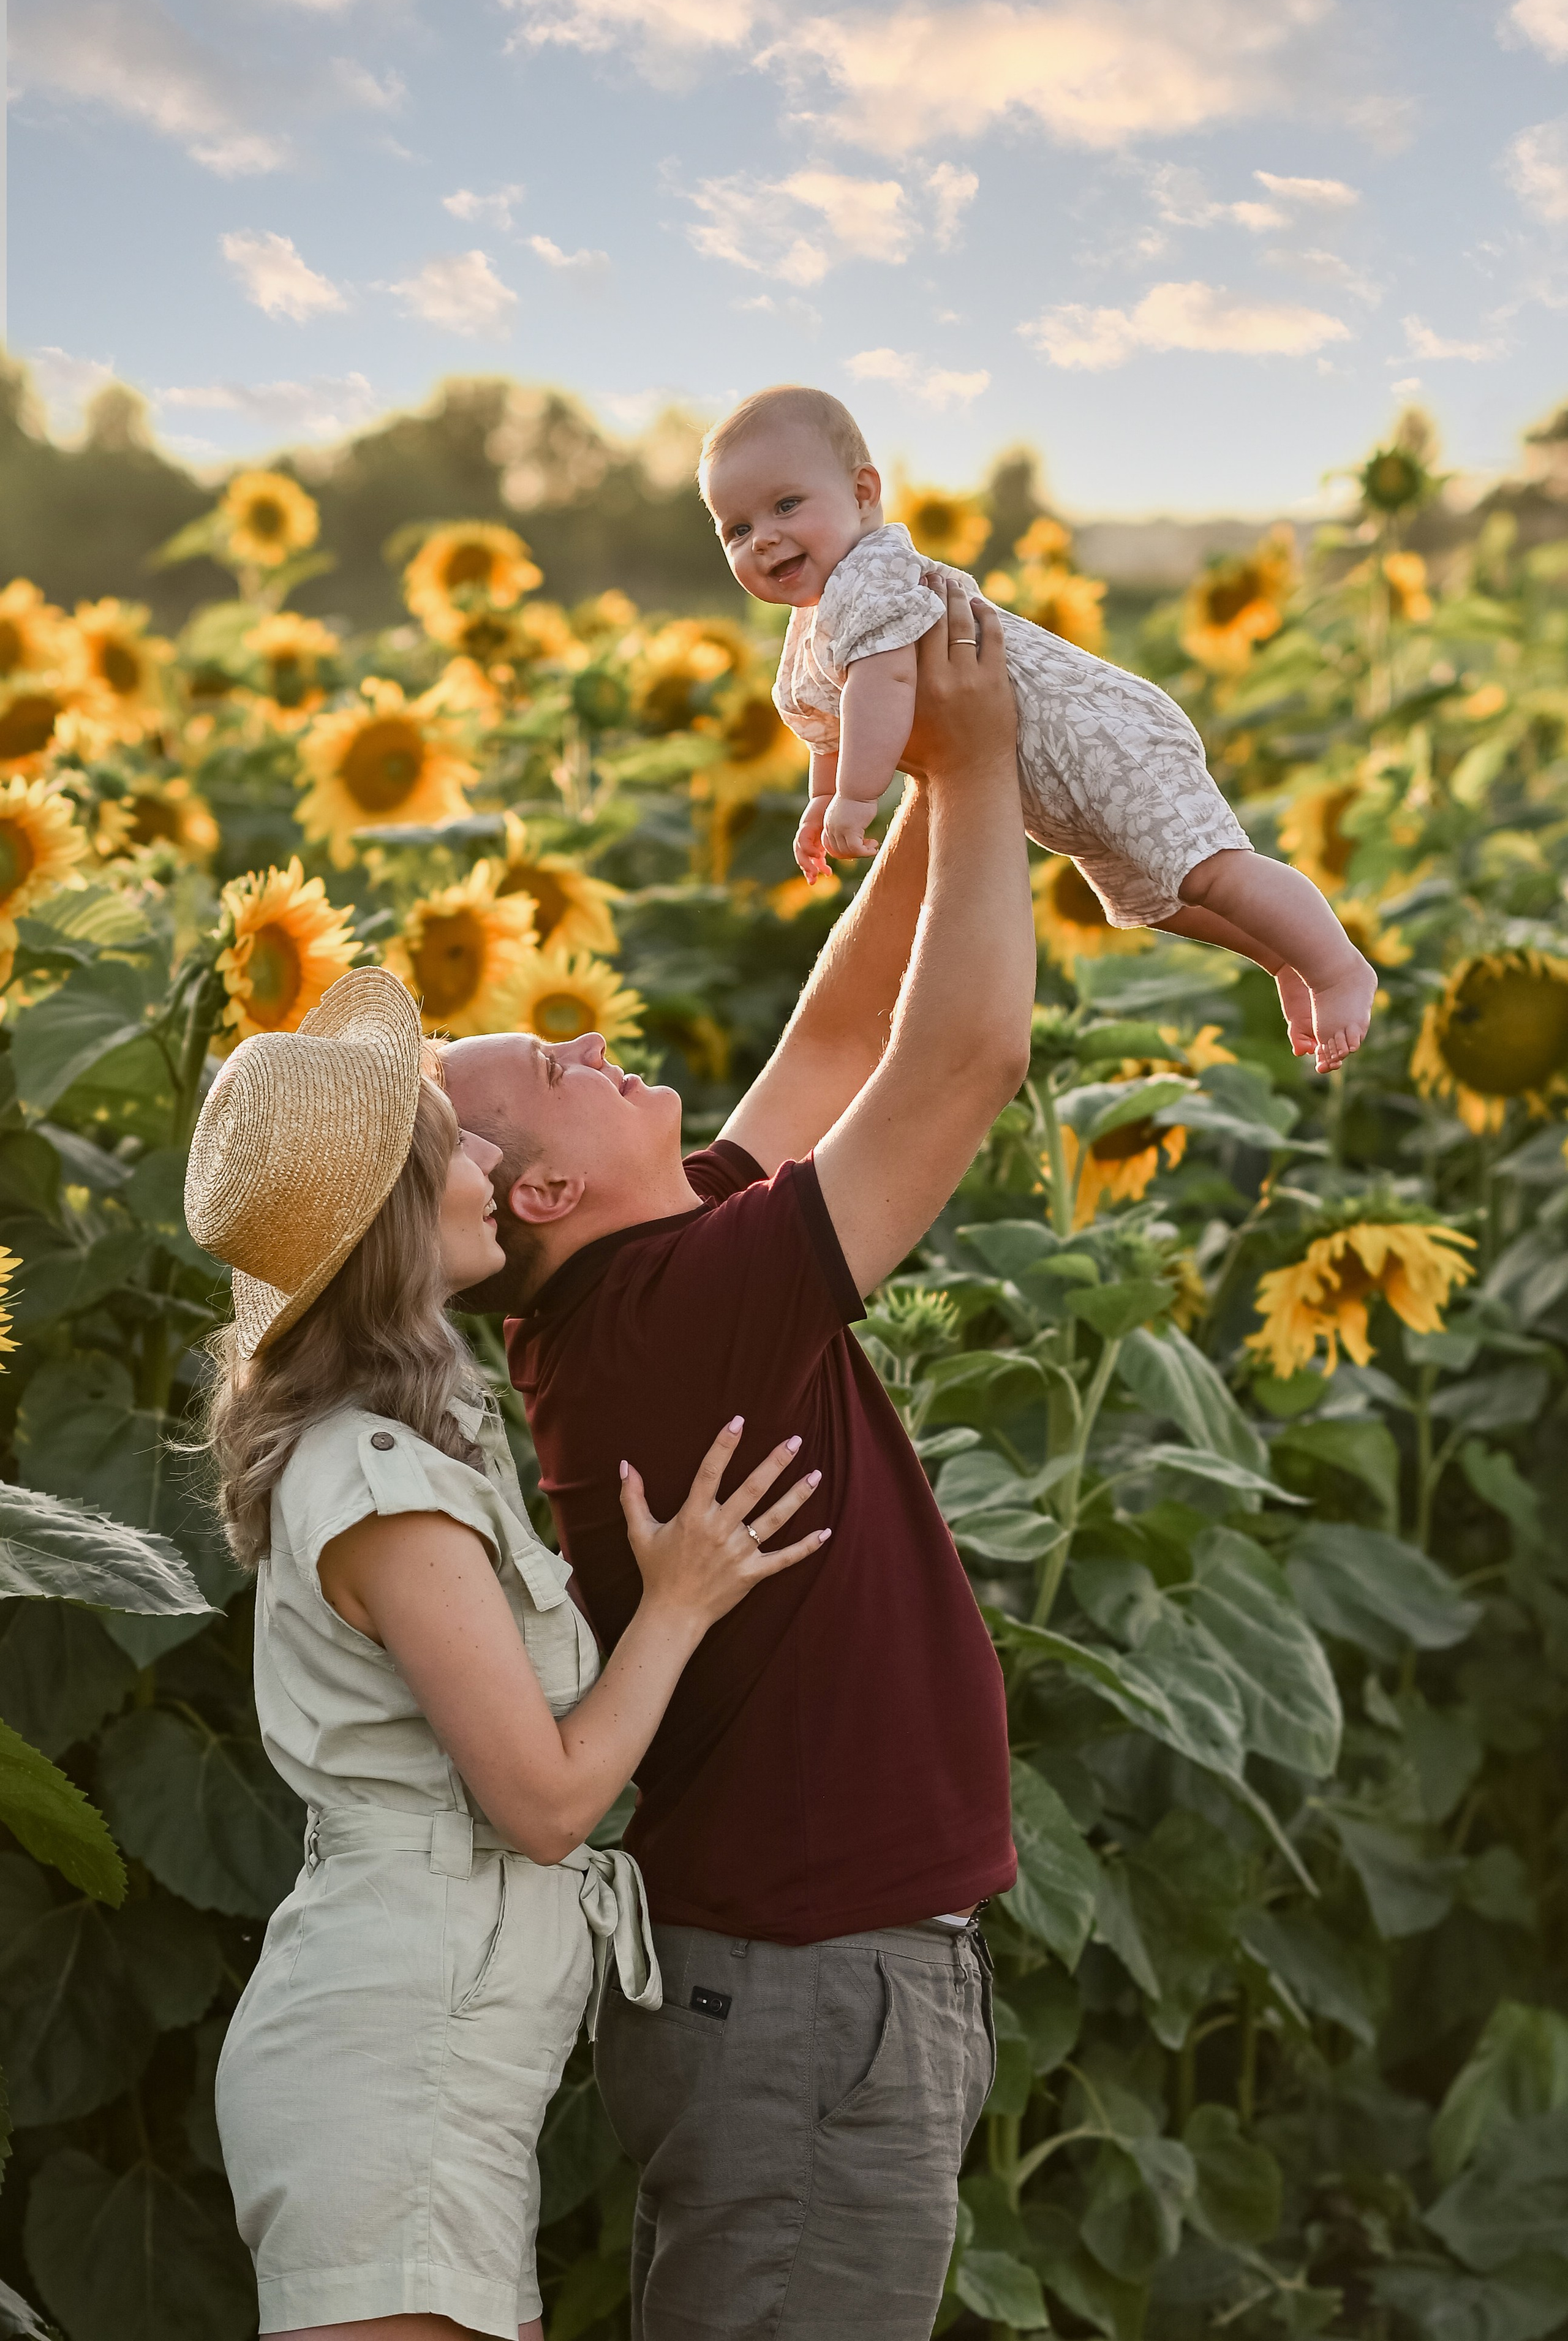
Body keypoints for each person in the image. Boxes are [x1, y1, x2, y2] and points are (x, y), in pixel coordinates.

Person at [442, 578, 1035, 2341]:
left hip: (810, 1975)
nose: (601, 1043)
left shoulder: (653, 1269)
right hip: (806, 1986)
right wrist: (994, 777)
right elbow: (963, 1062)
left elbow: (847, 1038)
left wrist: (927, 778)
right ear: (540, 1194)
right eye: (558, 1065)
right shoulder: (667, 1317)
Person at [184, 965, 828, 2341]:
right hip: (391, 2071)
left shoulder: (404, 1453)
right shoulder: (379, 1487)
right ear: (396, 1222)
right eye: (452, 1148)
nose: (484, 1157)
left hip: (430, 2058)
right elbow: (543, 1806)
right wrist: (678, 1603)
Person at [699, 382, 1377, 1075]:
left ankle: (1337, 967)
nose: (765, 538)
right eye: (738, 529)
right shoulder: (811, 623)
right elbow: (831, 725)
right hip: (1042, 782)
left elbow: (885, 684)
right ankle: (1281, 955)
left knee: (1211, 871)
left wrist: (852, 796)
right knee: (1165, 899)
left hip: (1097, 737)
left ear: (864, 491)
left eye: (786, 505)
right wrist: (821, 797)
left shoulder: (869, 575)